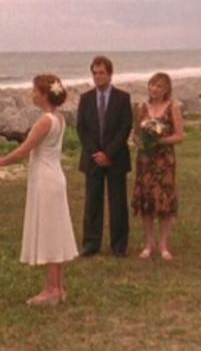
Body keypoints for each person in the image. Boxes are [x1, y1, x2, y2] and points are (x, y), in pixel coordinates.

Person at [0, 74, 78, 305]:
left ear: (45, 94)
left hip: (46, 178)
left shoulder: (45, 120)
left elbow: (23, 151)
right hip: (54, 175)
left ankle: (52, 289)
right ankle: (58, 286)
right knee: (55, 229)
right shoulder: (59, 118)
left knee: (49, 231)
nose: (33, 94)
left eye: (36, 91)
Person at [76, 56, 133, 257]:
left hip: (116, 158)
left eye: (102, 73)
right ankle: (91, 244)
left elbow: (125, 127)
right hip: (92, 159)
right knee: (93, 202)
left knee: (118, 203)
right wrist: (96, 153)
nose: (98, 76)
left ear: (110, 74)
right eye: (95, 73)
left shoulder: (122, 98)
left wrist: (108, 153)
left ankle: (119, 245)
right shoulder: (85, 98)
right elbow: (82, 129)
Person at [132, 72, 185, 261]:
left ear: (166, 89)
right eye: (152, 85)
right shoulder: (142, 107)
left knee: (164, 201)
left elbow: (180, 136)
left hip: (164, 161)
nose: (154, 89)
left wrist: (159, 140)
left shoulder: (172, 107)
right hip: (145, 161)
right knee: (146, 200)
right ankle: (149, 243)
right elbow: (136, 134)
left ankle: (163, 244)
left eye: (159, 86)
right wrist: (140, 141)